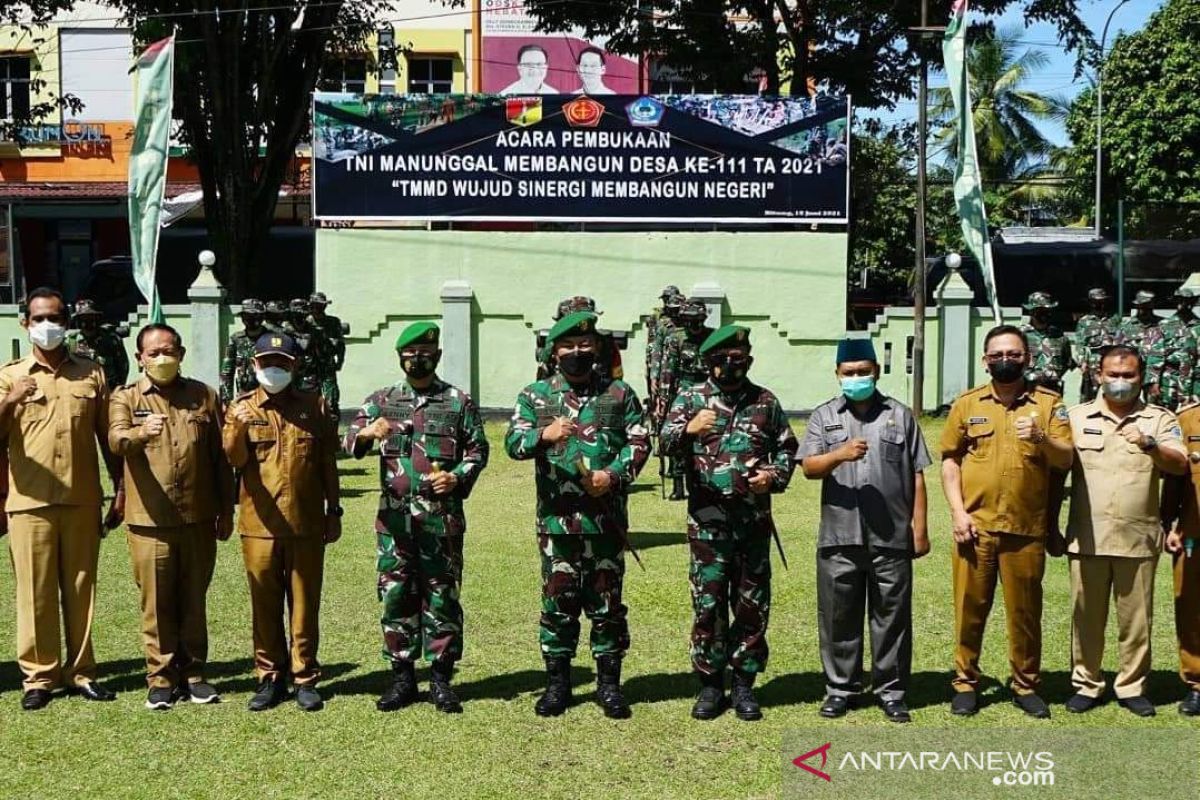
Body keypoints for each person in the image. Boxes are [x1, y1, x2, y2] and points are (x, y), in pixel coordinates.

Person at [505, 311, 650, 718]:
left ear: (598, 349)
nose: (577, 352)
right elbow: (513, 443)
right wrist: (542, 435)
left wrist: (613, 474)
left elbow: (639, 442)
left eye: (585, 345)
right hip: (558, 522)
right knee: (558, 605)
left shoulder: (620, 394)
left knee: (607, 604)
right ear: (554, 352)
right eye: (568, 346)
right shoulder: (535, 396)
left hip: (605, 521)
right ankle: (558, 685)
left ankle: (609, 686)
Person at [345, 322, 489, 714]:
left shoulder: (458, 402)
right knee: (396, 596)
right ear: (400, 359)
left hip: (441, 522)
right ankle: (402, 677)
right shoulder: (382, 399)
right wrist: (366, 434)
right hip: (394, 524)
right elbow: (348, 439)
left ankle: (441, 679)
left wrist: (456, 477)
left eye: (425, 354)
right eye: (409, 355)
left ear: (437, 356)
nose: (417, 360)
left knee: (442, 596)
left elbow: (478, 450)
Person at [660, 325, 798, 722]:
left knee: (751, 604)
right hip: (708, 524)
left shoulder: (764, 401)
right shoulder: (690, 399)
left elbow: (787, 450)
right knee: (709, 603)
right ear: (711, 362)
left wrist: (772, 475)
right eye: (726, 358)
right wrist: (689, 429)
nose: (734, 364)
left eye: (741, 356)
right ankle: (708, 684)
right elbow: (662, 443)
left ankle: (743, 684)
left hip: (752, 523)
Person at [940, 324, 1073, 719]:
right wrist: (957, 512)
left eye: (1013, 354)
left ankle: (1026, 684)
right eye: (997, 354)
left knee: (1026, 615)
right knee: (969, 610)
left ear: (1027, 358)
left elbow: (1065, 459)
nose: (1005, 360)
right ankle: (966, 682)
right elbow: (950, 460)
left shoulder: (1048, 405)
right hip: (975, 527)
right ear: (985, 360)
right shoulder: (967, 404)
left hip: (1025, 529)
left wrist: (1041, 438)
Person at [0, 287, 123, 710]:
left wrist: (121, 487)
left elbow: (108, 436)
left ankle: (83, 672)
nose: (47, 326)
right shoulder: (9, 376)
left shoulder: (91, 373)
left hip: (82, 496)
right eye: (38, 319)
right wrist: (10, 401)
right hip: (28, 501)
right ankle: (39, 677)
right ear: (25, 324)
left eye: (54, 317)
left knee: (80, 587)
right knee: (34, 592)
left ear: (66, 323)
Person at [801, 339, 930, 723]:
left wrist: (919, 528)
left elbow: (917, 474)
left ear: (876, 371)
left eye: (863, 371)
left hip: (891, 535)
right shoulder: (824, 417)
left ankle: (891, 691)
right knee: (839, 616)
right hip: (840, 536)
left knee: (891, 616)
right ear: (837, 375)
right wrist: (839, 454)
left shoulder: (900, 416)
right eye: (849, 373)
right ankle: (841, 689)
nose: (856, 378)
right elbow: (808, 467)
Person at [109, 323, 234, 710]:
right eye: (154, 353)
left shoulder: (203, 396)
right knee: (158, 603)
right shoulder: (125, 398)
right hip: (150, 521)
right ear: (140, 358)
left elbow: (220, 459)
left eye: (169, 351)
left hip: (197, 518)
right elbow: (116, 441)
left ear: (181, 353)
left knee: (194, 599)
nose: (162, 358)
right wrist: (140, 432)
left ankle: (194, 674)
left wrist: (225, 510)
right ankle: (160, 677)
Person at [1056, 345, 1186, 717]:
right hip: (1088, 536)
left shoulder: (1159, 419)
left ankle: (1132, 685)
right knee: (1086, 618)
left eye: (1128, 375)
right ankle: (1087, 683)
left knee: (1138, 620)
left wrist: (1150, 445)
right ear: (1098, 375)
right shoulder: (1076, 417)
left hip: (1138, 537)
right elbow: (1057, 469)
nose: (1119, 382)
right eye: (1112, 374)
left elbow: (1178, 466)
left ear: (1141, 377)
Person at [222, 333, 341, 712]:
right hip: (260, 525)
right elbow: (233, 460)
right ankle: (269, 676)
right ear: (253, 365)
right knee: (265, 604)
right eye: (267, 362)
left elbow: (327, 464)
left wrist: (334, 509)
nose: (275, 369)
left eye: (283, 363)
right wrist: (237, 428)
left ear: (295, 366)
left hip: (305, 523)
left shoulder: (314, 406)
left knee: (305, 605)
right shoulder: (241, 408)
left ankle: (304, 675)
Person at [1160, 398, 1200, 717]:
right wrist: (1168, 522)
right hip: (1193, 531)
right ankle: (1197, 683)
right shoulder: (1188, 419)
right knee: (1192, 606)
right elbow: (1176, 477)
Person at [658, 299, 713, 501]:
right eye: (689, 320)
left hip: (708, 392)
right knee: (680, 435)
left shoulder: (712, 336)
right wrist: (663, 399)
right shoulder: (676, 338)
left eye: (697, 320)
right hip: (684, 390)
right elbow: (668, 370)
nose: (693, 325)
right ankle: (678, 485)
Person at [1151, 287, 1199, 410]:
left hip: (1195, 384)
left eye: (1187, 301)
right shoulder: (1164, 325)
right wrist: (1153, 382)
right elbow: (1155, 356)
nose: (1183, 304)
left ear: (1192, 303)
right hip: (1170, 382)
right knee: (1168, 419)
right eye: (1179, 300)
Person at [66, 298, 130, 389]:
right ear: (78, 322)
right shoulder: (71, 341)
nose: (88, 324)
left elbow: (123, 367)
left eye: (91, 319)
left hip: (108, 390)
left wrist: (118, 390)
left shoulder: (110, 340)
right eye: (84, 319)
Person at [1020, 292, 1074, 395]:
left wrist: (1053, 375)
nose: (1044, 314)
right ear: (1031, 312)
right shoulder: (1020, 335)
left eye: (1047, 311)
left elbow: (1068, 362)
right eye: (1040, 311)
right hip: (1026, 389)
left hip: (1052, 390)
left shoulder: (1059, 336)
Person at [1074, 288, 1121, 403]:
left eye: (1102, 302)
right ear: (1091, 303)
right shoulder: (1084, 322)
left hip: (1112, 361)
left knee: (1112, 391)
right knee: (1090, 396)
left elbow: (1121, 340)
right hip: (1092, 363)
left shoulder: (1114, 319)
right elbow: (1080, 344)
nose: (1100, 304)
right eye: (1096, 302)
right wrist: (1082, 362)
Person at [1118, 290, 1165, 399]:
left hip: (1155, 375)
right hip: (1131, 373)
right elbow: (1118, 351)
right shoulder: (1126, 326)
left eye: (1147, 306)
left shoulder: (1162, 324)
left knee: (1154, 407)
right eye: (1141, 306)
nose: (1144, 309)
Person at [220, 299, 267, 404]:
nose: (248, 320)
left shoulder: (270, 338)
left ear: (261, 318)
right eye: (246, 316)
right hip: (244, 396)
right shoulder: (236, 339)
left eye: (253, 316)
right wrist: (226, 400)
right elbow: (227, 372)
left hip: (267, 394)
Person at [308, 292, 347, 419]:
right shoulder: (305, 323)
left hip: (327, 365)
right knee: (308, 400)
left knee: (331, 401)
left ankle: (331, 431)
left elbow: (340, 344)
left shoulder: (333, 322)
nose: (318, 309)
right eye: (315, 306)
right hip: (309, 368)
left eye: (321, 306)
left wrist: (339, 362)